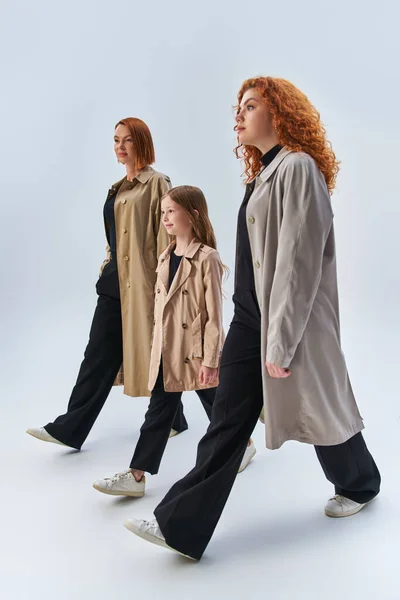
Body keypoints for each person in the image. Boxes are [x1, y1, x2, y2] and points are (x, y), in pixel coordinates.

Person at [122, 77, 381, 560]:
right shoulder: (264, 173)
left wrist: (279, 343)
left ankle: (361, 483)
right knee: (226, 424)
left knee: (321, 407)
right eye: (237, 107)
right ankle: (178, 525)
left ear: (279, 115)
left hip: (284, 322)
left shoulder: (298, 168)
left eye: (250, 105)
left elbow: (298, 264)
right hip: (250, 319)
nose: (238, 115)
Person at [26, 118, 188, 450]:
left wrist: (165, 286)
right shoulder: (118, 188)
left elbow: (167, 238)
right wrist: (107, 266)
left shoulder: (157, 183)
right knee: (98, 354)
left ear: (142, 143)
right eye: (116, 140)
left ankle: (192, 423)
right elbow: (116, 237)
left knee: (168, 355)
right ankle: (70, 428)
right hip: (115, 284)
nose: (120, 146)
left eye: (128, 140)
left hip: (145, 286)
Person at [91, 186, 256, 498]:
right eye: (163, 212)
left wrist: (210, 360)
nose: (165, 218)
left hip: (193, 354)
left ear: (193, 214)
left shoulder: (207, 258)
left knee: (218, 406)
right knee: (160, 411)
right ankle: (137, 475)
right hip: (167, 352)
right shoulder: (166, 256)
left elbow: (213, 316)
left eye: (171, 211)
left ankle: (243, 445)